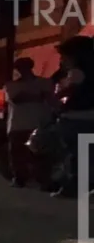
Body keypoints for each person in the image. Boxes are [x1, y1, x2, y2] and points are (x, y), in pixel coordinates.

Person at [47, 36, 94, 197]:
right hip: (90, 117)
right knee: (88, 155)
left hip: (75, 118)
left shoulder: (76, 72)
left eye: (64, 56)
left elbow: (66, 92)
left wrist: (54, 99)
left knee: (72, 155)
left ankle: (73, 187)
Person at [3, 57, 54, 187]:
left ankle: (38, 179)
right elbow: (17, 99)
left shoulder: (44, 82)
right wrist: (39, 96)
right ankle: (21, 178)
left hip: (35, 124)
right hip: (20, 124)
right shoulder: (11, 85)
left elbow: (48, 98)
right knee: (19, 154)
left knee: (37, 154)